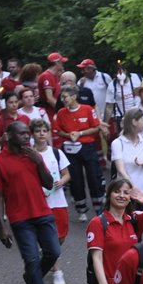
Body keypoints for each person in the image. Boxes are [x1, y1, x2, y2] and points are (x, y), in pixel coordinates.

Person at [0, 120, 59, 284]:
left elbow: (49, 183)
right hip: (20, 219)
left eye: (28, 133)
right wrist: (2, 227)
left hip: (43, 213)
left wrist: (38, 162)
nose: (27, 137)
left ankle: (32, 278)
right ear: (9, 136)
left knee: (53, 252)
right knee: (32, 259)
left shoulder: (33, 156)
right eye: (22, 134)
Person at [30, 119, 72, 284]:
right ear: (32, 134)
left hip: (58, 201)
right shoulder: (30, 154)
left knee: (60, 237)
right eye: (38, 130)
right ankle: (56, 271)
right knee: (49, 237)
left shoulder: (56, 153)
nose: (41, 133)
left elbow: (67, 174)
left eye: (44, 130)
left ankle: (47, 254)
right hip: (40, 203)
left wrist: (62, 181)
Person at [53, 85, 104, 217]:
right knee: (75, 180)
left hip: (88, 147)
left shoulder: (87, 109)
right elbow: (59, 131)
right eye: (62, 97)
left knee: (93, 176)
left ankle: (98, 206)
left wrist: (79, 133)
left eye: (65, 97)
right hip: (70, 149)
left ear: (74, 97)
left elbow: (96, 127)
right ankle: (81, 209)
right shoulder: (61, 113)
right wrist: (69, 135)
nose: (63, 100)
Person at [110, 107, 143, 199]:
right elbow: (121, 170)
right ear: (134, 122)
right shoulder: (117, 143)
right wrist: (133, 187)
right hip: (127, 192)